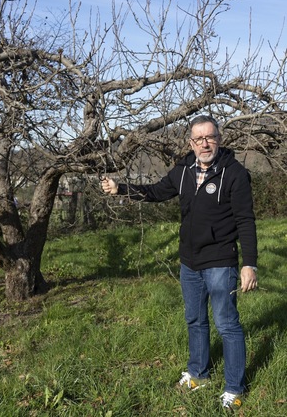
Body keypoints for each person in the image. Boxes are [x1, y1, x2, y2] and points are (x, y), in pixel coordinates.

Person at [101, 115, 258, 411]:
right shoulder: (183, 170)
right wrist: (120, 189)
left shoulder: (234, 174)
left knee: (227, 325)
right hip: (189, 263)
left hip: (221, 262)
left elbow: (246, 221)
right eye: (198, 139)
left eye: (210, 137)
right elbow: (156, 192)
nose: (205, 143)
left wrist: (249, 263)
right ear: (190, 143)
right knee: (195, 320)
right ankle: (199, 374)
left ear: (219, 138)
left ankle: (234, 388)